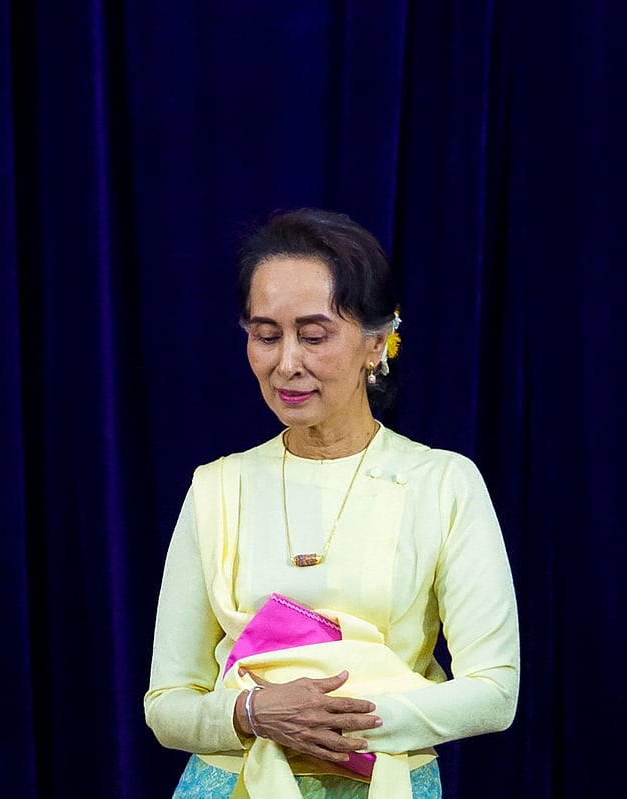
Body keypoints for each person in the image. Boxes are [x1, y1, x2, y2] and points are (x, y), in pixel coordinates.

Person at [143, 208, 520, 799]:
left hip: (384, 782)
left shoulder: (442, 482)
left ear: (376, 342)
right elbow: (166, 705)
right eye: (266, 336)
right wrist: (253, 713)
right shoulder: (216, 488)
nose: (286, 362)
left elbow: (495, 692)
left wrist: (346, 722)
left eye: (314, 336)